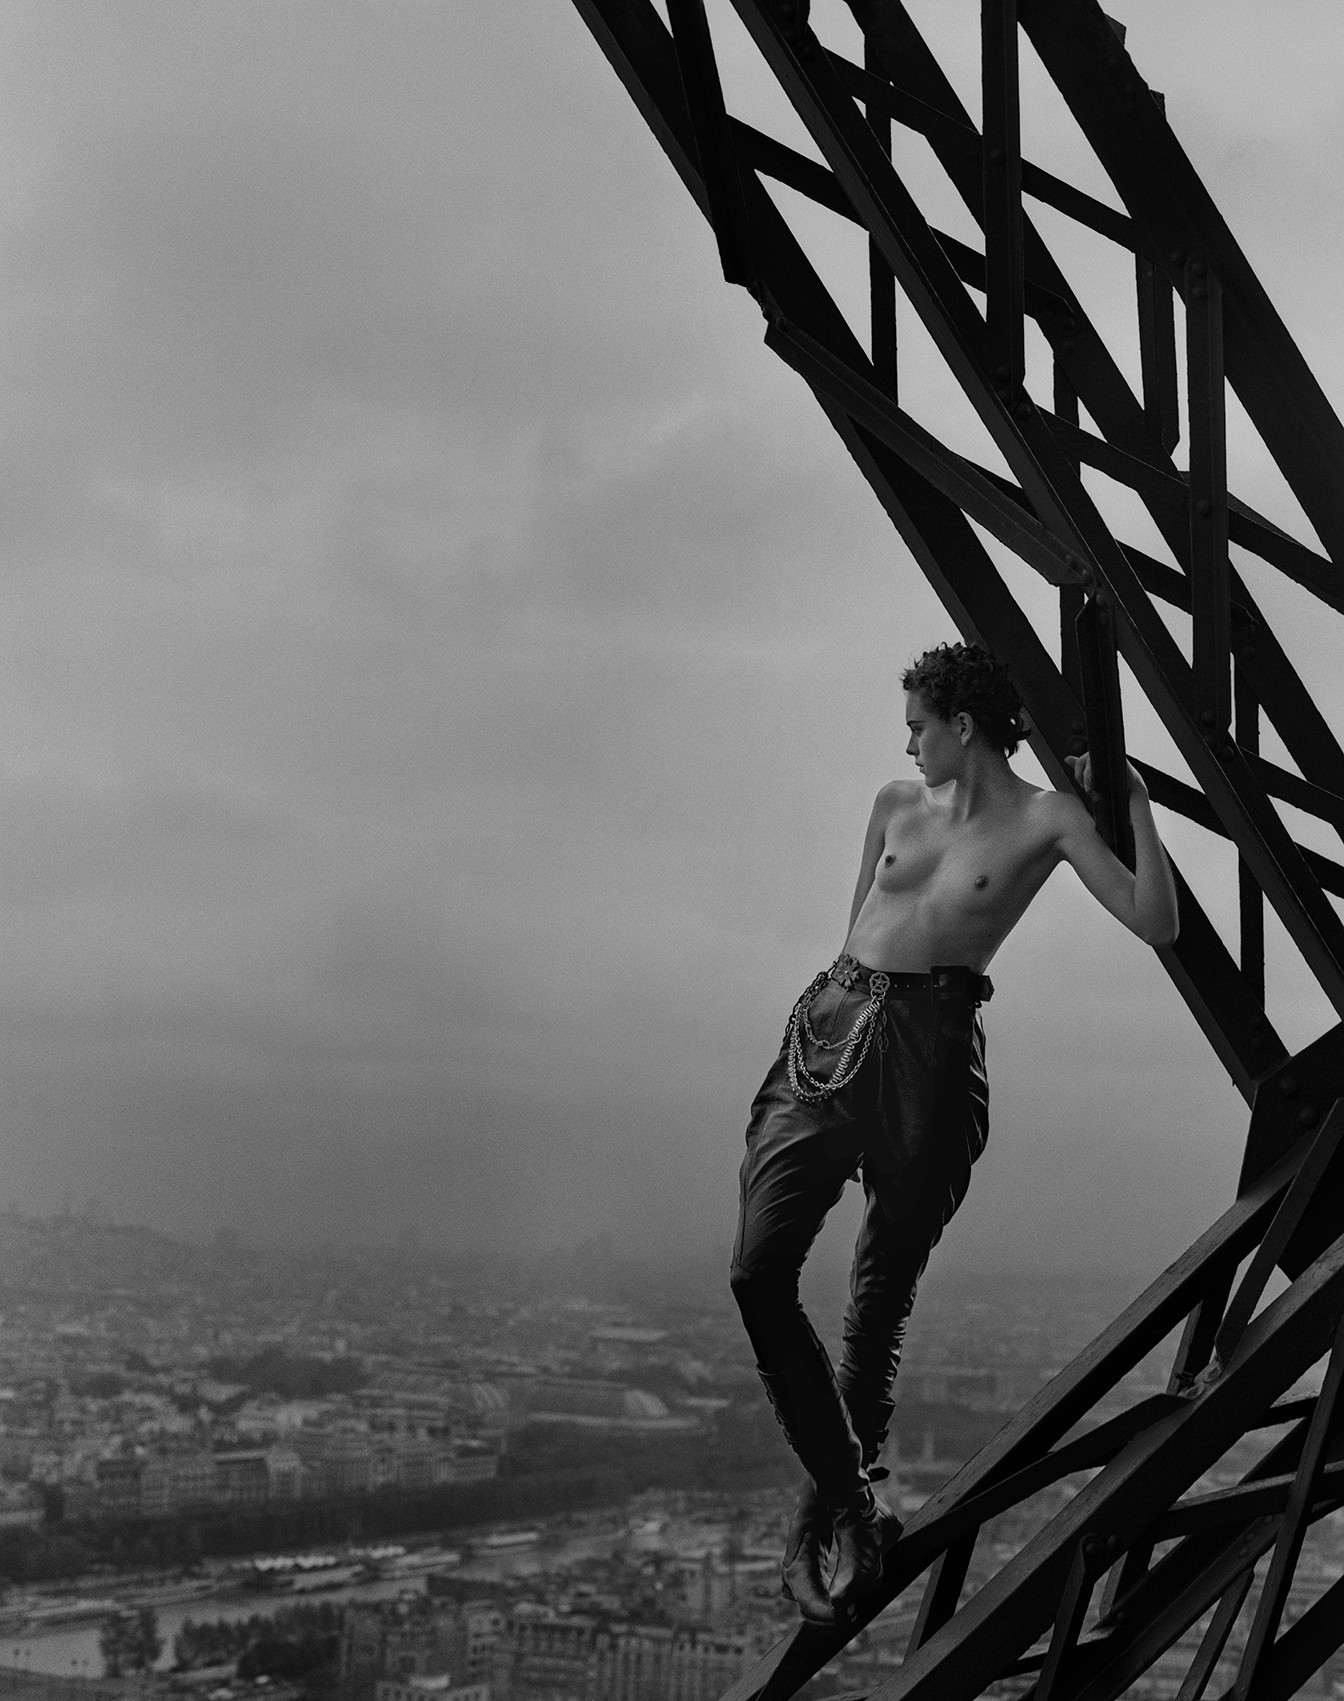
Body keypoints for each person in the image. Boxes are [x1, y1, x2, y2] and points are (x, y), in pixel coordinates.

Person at [729, 641, 1179, 1625]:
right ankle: (852, 1509)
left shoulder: (1048, 819)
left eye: (918, 726)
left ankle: (826, 1529)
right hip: (835, 1023)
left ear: (962, 726)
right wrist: (837, 1019)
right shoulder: (895, 804)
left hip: (931, 1049)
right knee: (756, 1272)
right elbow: (854, 929)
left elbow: (1155, 920)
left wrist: (1137, 803)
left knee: (877, 1303)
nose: (908, 745)